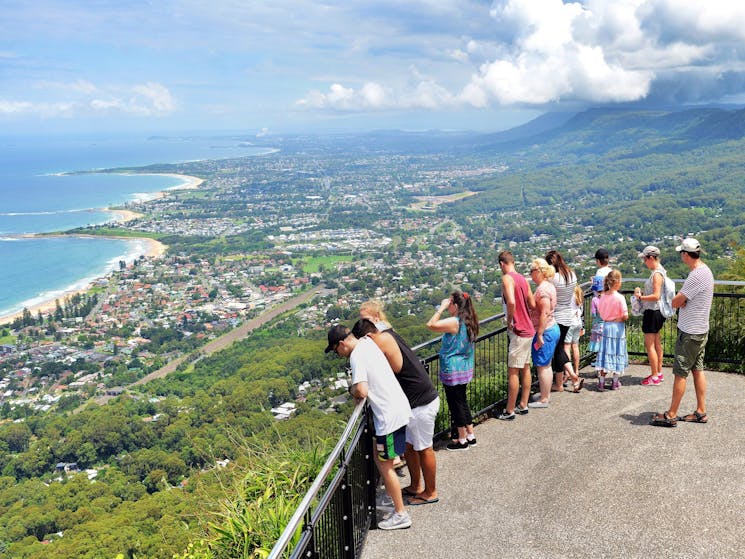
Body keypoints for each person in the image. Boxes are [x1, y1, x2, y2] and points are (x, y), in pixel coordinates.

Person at [325, 324, 413, 530]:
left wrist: (352, 390)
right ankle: (393, 500)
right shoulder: (367, 343)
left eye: (336, 350)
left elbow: (362, 391)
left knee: (386, 465)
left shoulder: (356, 356)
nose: (338, 355)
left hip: (388, 417)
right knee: (379, 456)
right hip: (398, 407)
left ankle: (401, 514)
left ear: (341, 344)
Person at [352, 317, 440, 506]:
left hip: (421, 401)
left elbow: (397, 367)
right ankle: (416, 486)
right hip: (412, 404)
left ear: (367, 336)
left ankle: (431, 492)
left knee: (424, 448)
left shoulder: (381, 341)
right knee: (409, 448)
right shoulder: (387, 335)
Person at [651, 238, 714, 428]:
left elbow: (676, 301)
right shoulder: (706, 271)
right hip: (701, 330)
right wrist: (682, 300)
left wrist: (680, 300)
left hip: (690, 333)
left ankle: (671, 414)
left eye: (681, 253)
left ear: (686, 254)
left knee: (680, 373)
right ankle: (701, 412)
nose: (681, 256)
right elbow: (684, 299)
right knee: (697, 369)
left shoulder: (696, 275)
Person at [426, 290, 479, 450]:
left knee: (455, 404)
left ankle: (462, 440)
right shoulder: (469, 320)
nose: (448, 306)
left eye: (450, 304)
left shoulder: (455, 322)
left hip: (452, 369)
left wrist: (440, 309)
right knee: (462, 401)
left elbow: (431, 325)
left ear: (455, 305)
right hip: (464, 366)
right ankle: (470, 434)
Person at [496, 250, 535, 420]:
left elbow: (511, 301)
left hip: (518, 330)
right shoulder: (523, 279)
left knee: (513, 371)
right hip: (529, 329)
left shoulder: (507, 278)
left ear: (501, 264)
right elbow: (532, 303)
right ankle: (523, 404)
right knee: (525, 367)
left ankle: (509, 410)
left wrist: (510, 319)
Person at [545, 250, 581, 392]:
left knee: (558, 350)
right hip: (568, 316)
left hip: (556, 317)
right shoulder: (571, 275)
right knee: (559, 349)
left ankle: (572, 375)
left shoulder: (553, 278)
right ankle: (559, 384)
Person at [527, 258, 561, 408]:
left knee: (543, 365)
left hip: (545, 330)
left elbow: (544, 312)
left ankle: (544, 399)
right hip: (551, 327)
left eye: (531, 271)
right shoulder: (548, 285)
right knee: (545, 364)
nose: (530, 274)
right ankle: (544, 394)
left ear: (538, 271)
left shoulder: (542, 290)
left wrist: (539, 334)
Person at [633, 246, 667, 386]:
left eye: (645, 259)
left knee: (650, 345)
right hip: (657, 312)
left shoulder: (657, 274)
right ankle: (658, 372)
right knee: (657, 343)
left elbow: (656, 296)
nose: (644, 262)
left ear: (651, 258)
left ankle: (654, 376)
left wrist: (640, 297)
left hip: (652, 311)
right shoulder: (661, 271)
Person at [595, 270, 629, 391]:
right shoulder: (620, 298)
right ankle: (615, 382)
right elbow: (625, 316)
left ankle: (601, 382)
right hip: (617, 328)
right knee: (616, 352)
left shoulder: (602, 296)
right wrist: (618, 318)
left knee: (605, 353)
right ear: (617, 282)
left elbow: (600, 312)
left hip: (606, 326)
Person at [564, 284, 585, 391]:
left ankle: (568, 372)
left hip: (569, 321)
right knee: (575, 346)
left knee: (566, 347)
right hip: (578, 321)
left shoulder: (567, 293)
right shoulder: (578, 292)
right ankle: (576, 370)